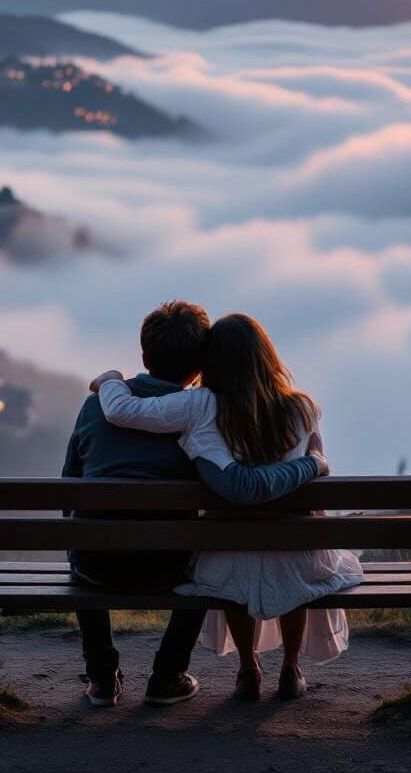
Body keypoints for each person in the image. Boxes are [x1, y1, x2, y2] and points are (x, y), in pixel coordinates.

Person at [63, 301, 328, 709]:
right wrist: (312, 463)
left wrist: (108, 381)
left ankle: (102, 678)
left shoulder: (98, 407)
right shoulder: (208, 414)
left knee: (85, 538)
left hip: (95, 563)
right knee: (201, 561)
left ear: (144, 355)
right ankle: (167, 676)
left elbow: (70, 481)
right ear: (198, 363)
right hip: (167, 565)